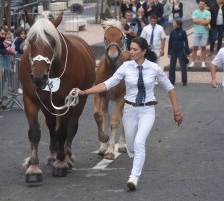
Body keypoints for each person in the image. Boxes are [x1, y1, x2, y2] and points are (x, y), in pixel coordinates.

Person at [72, 37, 183, 191]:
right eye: (130, 48)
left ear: (143, 52)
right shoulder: (125, 67)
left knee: (139, 143)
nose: (131, 52)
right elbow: (106, 84)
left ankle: (134, 177)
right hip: (129, 111)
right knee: (131, 146)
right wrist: (84, 92)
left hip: (147, 110)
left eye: (135, 49)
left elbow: (170, 88)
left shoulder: (154, 68)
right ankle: (133, 153)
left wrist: (176, 112)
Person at [188, 0, 211, 68]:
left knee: (203, 47)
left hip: (205, 32)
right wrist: (203, 21)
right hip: (196, 32)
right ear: (199, 4)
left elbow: (208, 21)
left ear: (204, 5)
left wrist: (199, 22)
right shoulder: (195, 12)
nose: (201, 5)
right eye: (200, 4)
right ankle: (192, 62)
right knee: (195, 47)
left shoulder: (207, 12)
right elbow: (194, 21)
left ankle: (203, 62)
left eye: (203, 4)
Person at [168, 20, 190, 86]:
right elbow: (170, 42)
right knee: (172, 66)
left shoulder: (183, 32)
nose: (173, 24)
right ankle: (171, 80)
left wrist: (187, 51)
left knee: (183, 66)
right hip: (173, 50)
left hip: (181, 50)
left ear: (179, 25)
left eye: (175, 23)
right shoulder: (172, 32)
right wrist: (169, 52)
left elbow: (186, 42)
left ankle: (184, 81)